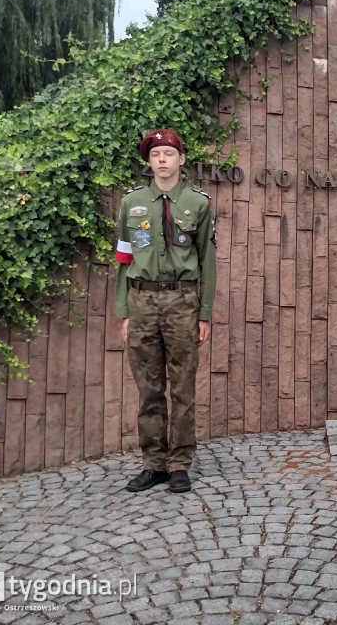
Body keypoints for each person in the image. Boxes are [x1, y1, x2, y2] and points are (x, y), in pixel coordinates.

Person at [114, 129, 216, 493]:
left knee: (183, 387)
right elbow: (124, 259)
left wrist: (204, 314)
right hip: (141, 302)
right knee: (148, 388)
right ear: (148, 161)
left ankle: (179, 464)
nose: (162, 159)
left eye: (168, 153)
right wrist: (124, 311)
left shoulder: (198, 203)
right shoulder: (131, 203)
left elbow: (207, 261)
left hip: (182, 303)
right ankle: (153, 462)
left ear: (181, 160)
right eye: (155, 153)